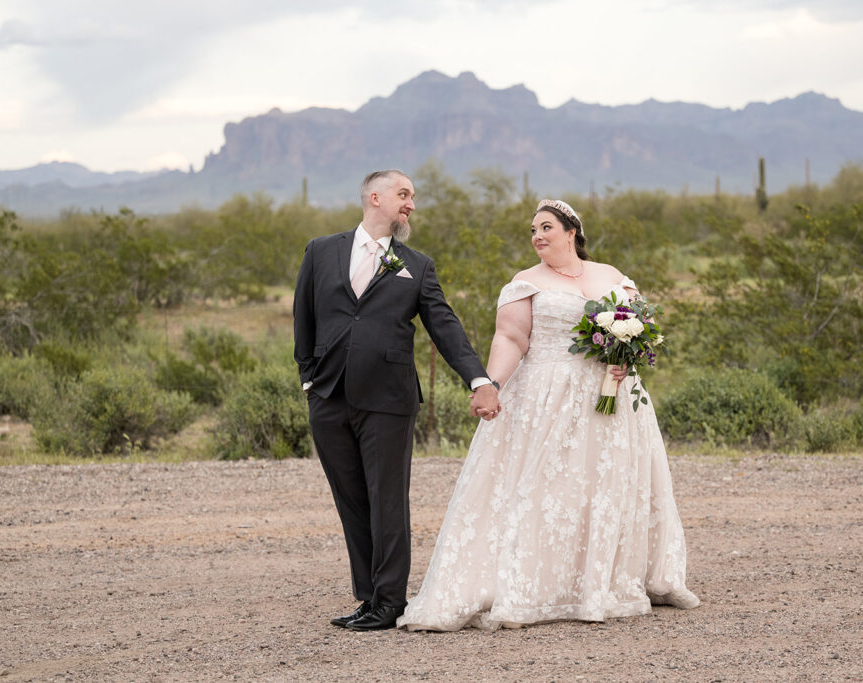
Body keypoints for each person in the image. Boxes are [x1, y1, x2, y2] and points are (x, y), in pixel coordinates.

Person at [397, 198, 699, 632]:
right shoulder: (526, 282)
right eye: (533, 230)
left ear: (571, 231)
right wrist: (491, 384)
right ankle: (540, 582)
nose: (537, 236)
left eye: (546, 227)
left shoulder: (612, 277)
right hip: (546, 395)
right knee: (546, 486)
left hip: (610, 395)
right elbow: (511, 338)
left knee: (606, 483)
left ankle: (607, 578)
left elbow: (639, 331)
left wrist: (625, 362)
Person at [293, 169, 501, 631]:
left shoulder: (417, 265)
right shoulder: (321, 251)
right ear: (375, 196)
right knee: (351, 501)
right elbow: (302, 320)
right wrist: (309, 380)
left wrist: (478, 379)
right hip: (328, 397)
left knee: (387, 501)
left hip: (388, 399)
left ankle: (389, 604)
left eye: (412, 198)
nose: (410, 204)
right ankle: (366, 598)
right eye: (403, 195)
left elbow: (445, 326)